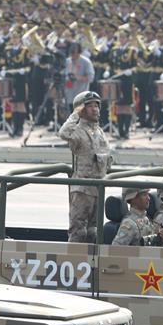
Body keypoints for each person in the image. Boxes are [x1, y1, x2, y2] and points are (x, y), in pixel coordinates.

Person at [59, 91, 112, 243]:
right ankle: (76, 262)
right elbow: (63, 133)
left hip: (98, 188)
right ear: (81, 109)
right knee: (78, 231)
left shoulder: (99, 131)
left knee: (94, 231)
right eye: (90, 106)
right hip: (82, 189)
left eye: (97, 105)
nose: (95, 109)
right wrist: (75, 114)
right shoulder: (78, 130)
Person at [63, 43, 94, 111]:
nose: (73, 56)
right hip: (69, 95)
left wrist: (78, 77)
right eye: (71, 54)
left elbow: (90, 78)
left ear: (79, 53)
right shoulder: (68, 61)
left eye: (74, 54)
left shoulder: (86, 62)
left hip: (81, 95)